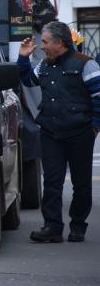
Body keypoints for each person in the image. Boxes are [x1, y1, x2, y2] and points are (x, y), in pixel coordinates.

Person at [19, 21, 100, 243]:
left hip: (80, 133)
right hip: (51, 133)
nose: (42, 46)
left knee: (81, 183)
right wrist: (23, 57)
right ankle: (52, 227)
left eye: (45, 42)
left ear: (60, 43)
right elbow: (27, 80)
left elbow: (99, 98)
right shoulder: (44, 66)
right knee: (52, 181)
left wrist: (94, 127)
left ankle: (78, 226)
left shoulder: (86, 65)